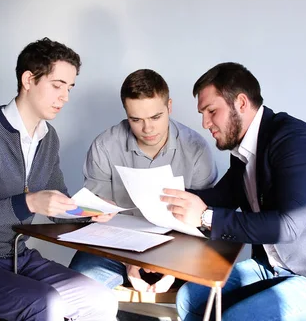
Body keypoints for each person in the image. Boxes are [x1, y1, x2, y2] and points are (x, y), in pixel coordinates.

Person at [161, 62, 306, 320]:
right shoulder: (244, 151)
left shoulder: (295, 141)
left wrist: (204, 217)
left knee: (239, 317)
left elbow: (288, 226)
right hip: (277, 267)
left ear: (241, 103)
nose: (204, 122)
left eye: (211, 111)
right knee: (189, 300)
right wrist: (159, 196)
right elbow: (216, 200)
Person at [0, 38, 118, 321]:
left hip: (17, 258)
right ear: (29, 79)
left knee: (100, 299)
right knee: (47, 304)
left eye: (69, 87)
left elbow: (58, 206)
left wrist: (90, 212)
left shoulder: (48, 137)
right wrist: (28, 202)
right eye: (57, 85)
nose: (65, 96)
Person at [68, 69, 218, 294]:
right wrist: (128, 260)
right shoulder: (105, 145)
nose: (147, 129)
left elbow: (205, 226)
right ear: (126, 113)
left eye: (155, 117)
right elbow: (94, 216)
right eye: (136, 119)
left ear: (169, 106)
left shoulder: (196, 149)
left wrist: (173, 269)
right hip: (115, 248)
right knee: (77, 289)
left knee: (209, 295)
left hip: (181, 249)